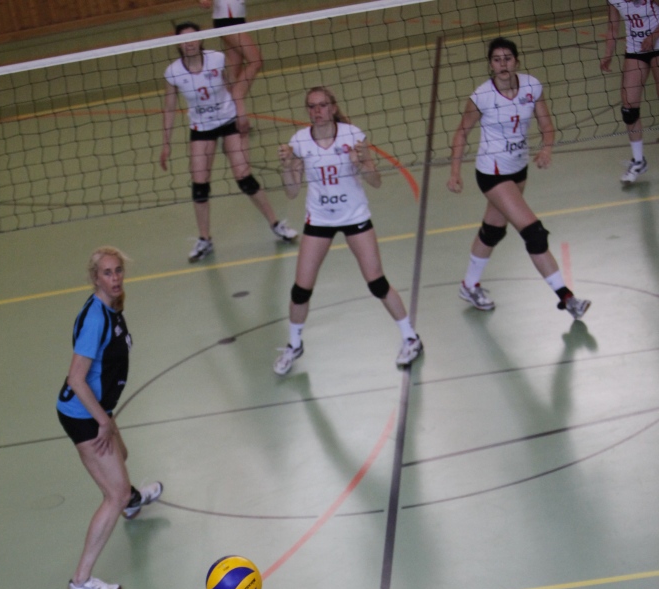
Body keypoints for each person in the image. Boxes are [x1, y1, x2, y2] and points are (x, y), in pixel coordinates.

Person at [274, 87, 422, 374]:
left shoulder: (352, 135)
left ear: (332, 108)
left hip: (354, 216)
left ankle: (410, 338)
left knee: (377, 283)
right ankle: (294, 344)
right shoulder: (299, 141)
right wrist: (287, 167)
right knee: (300, 290)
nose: (317, 111)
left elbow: (376, 181)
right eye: (312, 107)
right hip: (319, 219)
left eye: (322, 105)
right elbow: (292, 192)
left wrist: (360, 164)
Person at [448, 37, 591, 319]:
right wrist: (454, 172)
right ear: (490, 64)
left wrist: (546, 148)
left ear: (516, 61)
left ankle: (469, 285)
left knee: (493, 230)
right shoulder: (482, 97)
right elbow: (461, 132)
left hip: (518, 169)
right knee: (534, 233)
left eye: (508, 59)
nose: (503, 65)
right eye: (497, 60)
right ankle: (567, 298)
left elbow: (547, 126)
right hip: (492, 172)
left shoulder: (531, 86)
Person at [56, 247, 162, 589]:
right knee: (113, 493)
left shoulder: (112, 307)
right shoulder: (96, 319)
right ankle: (81, 582)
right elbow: (76, 378)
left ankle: (132, 501)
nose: (115, 278)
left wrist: (106, 413)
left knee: (122, 454)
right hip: (83, 415)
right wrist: (103, 421)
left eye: (118, 271)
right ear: (94, 277)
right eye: (107, 273)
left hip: (98, 407)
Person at [160, 22, 297, 262]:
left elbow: (234, 88)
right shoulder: (173, 73)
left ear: (201, 39)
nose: (190, 43)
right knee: (199, 185)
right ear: (178, 44)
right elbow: (170, 108)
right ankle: (205, 239)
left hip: (228, 119)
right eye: (184, 40)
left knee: (244, 177)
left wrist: (241, 113)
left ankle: (276, 224)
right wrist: (166, 143)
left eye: (194, 37)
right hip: (201, 128)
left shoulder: (217, 59)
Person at [601, 1, 659, 183]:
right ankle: (639, 161)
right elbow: (613, 28)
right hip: (636, 49)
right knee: (629, 108)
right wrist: (608, 54)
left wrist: (654, 35)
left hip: (658, 44)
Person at [198, 0, 262, 138]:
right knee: (256, 61)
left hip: (238, 17)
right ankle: (237, 99)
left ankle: (222, 116)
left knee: (233, 72)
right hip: (227, 19)